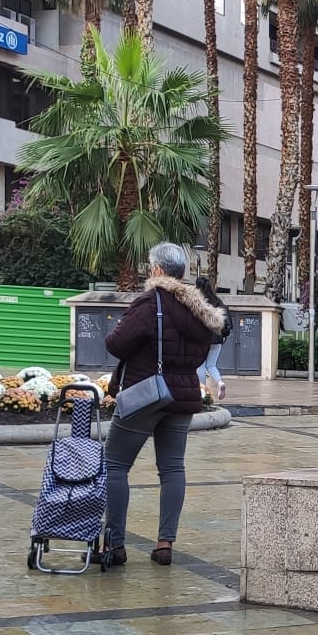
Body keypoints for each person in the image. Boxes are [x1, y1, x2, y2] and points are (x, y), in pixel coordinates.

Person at [102, 242, 225, 566]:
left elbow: (116, 344)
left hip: (146, 394)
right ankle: (164, 544)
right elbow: (202, 352)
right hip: (184, 396)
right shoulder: (200, 309)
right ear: (181, 272)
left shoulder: (149, 302)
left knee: (114, 466)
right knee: (172, 468)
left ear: (157, 270)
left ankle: (115, 544)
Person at [195, 275, 230, 403]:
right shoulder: (217, 300)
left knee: (201, 366)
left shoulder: (199, 301)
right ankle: (220, 382)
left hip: (203, 339)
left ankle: (202, 393)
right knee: (211, 365)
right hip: (218, 339)